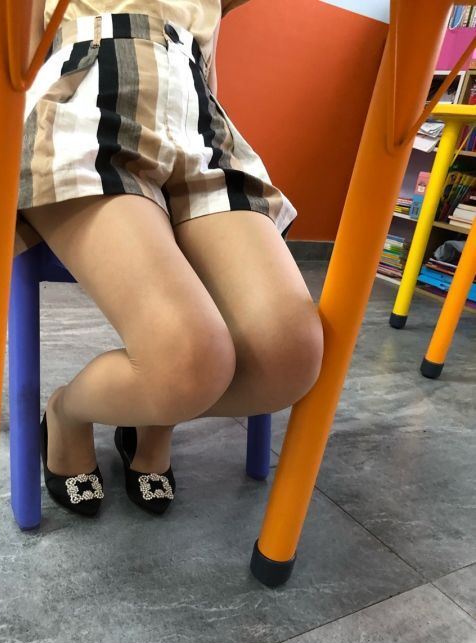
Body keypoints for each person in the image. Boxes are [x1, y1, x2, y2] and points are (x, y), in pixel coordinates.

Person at [18, 0, 324, 518]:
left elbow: (206, 52)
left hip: (198, 118)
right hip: (85, 96)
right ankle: (68, 412)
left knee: (290, 358)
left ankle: (152, 411)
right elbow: (20, 53)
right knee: (185, 360)